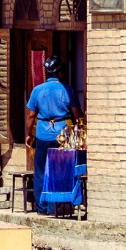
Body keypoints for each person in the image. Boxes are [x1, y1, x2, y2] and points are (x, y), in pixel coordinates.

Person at [25, 56, 82, 213]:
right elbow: (77, 115)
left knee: (40, 171)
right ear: (60, 73)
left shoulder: (37, 90)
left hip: (42, 134)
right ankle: (57, 206)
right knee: (60, 169)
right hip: (62, 135)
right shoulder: (67, 90)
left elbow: (30, 116)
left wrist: (28, 134)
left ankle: (42, 207)